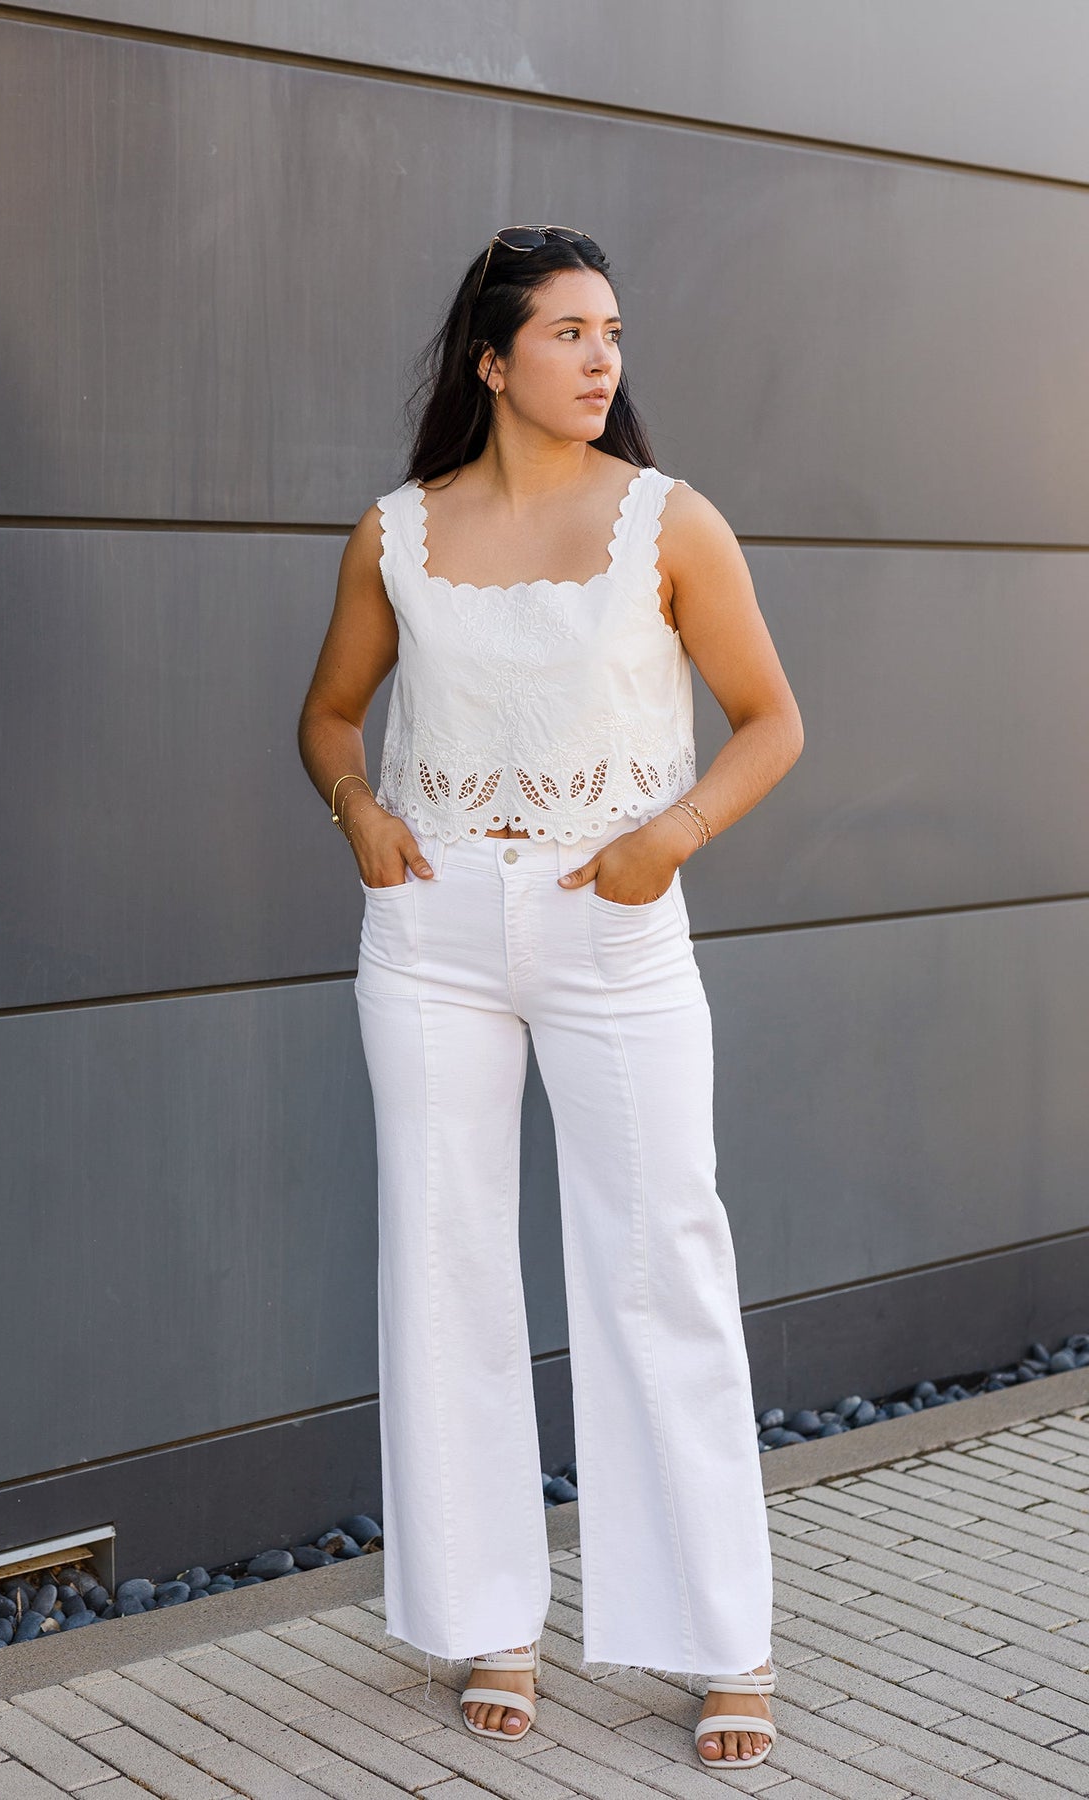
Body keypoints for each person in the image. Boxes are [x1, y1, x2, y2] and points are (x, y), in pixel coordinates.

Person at [298, 224, 803, 1769]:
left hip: (614, 928)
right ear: (492, 357)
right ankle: (489, 1619)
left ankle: (721, 1639)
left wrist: (671, 837)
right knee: (444, 1262)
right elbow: (331, 714)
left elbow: (771, 720)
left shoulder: (669, 521)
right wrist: (359, 814)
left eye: (614, 334)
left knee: (662, 1260)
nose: (601, 359)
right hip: (431, 931)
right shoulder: (396, 533)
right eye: (570, 332)